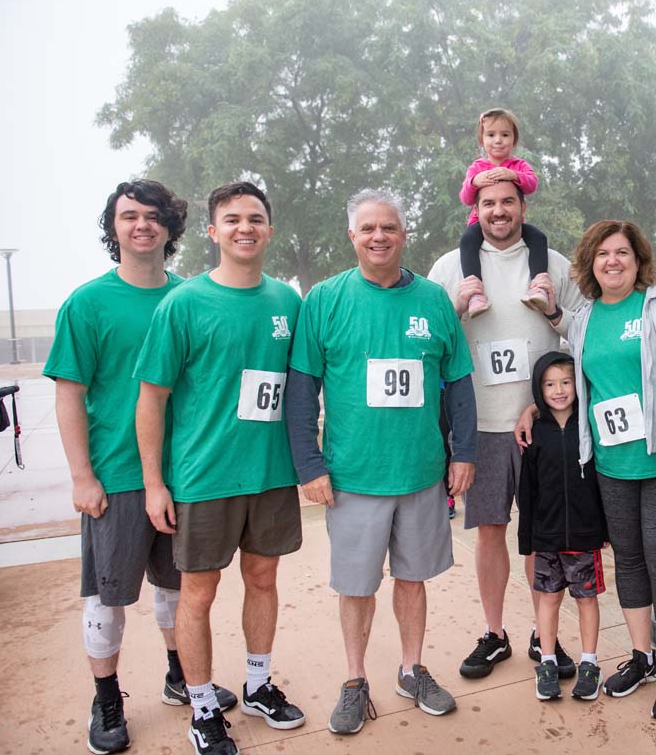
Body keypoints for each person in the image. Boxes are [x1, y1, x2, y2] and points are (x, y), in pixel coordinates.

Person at [43, 180, 234, 754]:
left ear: (172, 228)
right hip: (118, 478)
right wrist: (82, 475)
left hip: (188, 476)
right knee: (109, 597)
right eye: (129, 217)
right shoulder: (87, 303)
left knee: (177, 591)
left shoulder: (192, 296)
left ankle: (181, 677)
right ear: (114, 227)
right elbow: (70, 394)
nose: (142, 225)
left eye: (154, 216)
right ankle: (107, 699)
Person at [287, 189, 476, 735]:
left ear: (403, 234)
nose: (378, 237)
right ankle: (354, 680)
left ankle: (412, 670)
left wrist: (463, 451)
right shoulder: (324, 300)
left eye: (388, 228)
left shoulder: (435, 302)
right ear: (352, 236)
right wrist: (309, 463)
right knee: (357, 585)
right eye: (368, 228)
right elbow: (303, 391)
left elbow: (458, 382)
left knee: (413, 579)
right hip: (352, 476)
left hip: (420, 472)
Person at [135, 182, 305, 755]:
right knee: (198, 596)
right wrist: (155, 483)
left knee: (263, 581)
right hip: (203, 480)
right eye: (232, 219)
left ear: (269, 230)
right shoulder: (182, 305)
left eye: (255, 218)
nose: (245, 227)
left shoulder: (287, 302)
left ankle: (257, 685)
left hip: (272, 476)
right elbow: (151, 398)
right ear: (213, 232)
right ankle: (204, 705)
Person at [520, 220, 656, 720]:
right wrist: (534, 407)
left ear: (638, 259)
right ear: (590, 263)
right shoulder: (583, 318)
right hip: (609, 466)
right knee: (630, 560)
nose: (612, 261)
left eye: (622, 252)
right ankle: (641, 656)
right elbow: (566, 377)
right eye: (602, 254)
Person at [428, 180, 584, 682]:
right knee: (490, 531)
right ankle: (496, 633)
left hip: (541, 422)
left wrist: (549, 405)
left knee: (542, 535)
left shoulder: (553, 265)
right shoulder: (450, 267)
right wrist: (454, 306)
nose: (498, 211)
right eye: (488, 203)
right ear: (476, 210)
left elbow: (582, 332)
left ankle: (547, 634)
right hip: (483, 423)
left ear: (523, 206)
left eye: (507, 202)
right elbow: (430, 339)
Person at [516, 351, 607, 702]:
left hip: (584, 535)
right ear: (540, 389)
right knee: (549, 599)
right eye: (550, 384)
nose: (558, 390)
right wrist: (529, 539)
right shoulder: (535, 433)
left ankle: (589, 663)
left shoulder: (589, 425)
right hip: (547, 535)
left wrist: (604, 530)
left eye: (566, 382)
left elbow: (601, 482)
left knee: (586, 599)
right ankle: (548, 660)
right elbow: (528, 490)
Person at [458, 108, 549, 317]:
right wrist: (474, 182)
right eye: (491, 135)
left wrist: (513, 175)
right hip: (479, 225)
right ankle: (475, 294)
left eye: (505, 135)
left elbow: (532, 184)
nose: (498, 140)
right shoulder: (476, 168)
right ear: (482, 140)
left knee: (538, 237)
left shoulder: (519, 165)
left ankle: (539, 286)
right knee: (467, 240)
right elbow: (465, 197)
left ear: (514, 140)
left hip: (513, 225)